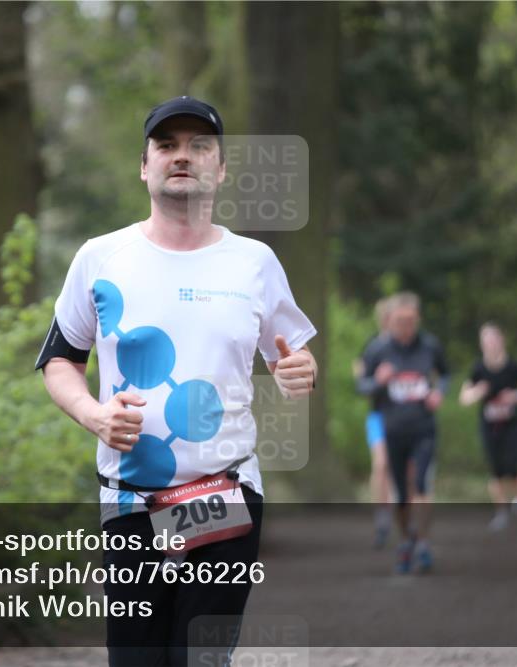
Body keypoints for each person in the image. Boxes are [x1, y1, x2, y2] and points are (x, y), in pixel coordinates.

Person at [36, 96, 318, 665]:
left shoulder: (255, 262)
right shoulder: (101, 258)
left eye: (199, 147)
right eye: (166, 146)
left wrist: (299, 373)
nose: (181, 156)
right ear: (144, 166)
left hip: (226, 493)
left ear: (220, 168)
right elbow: (60, 359)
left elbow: (295, 359)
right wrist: (94, 415)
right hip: (129, 501)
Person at [358, 292, 448, 574]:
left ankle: (422, 543)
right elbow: (362, 386)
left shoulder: (430, 346)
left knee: (421, 484)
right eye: (399, 321)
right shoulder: (378, 349)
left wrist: (438, 393)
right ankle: (405, 540)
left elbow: (445, 374)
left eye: (410, 320)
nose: (405, 326)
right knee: (401, 496)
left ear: (417, 319)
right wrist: (378, 382)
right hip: (393, 430)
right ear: (390, 321)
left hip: (424, 429)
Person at [459, 323, 517, 531]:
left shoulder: (513, 367)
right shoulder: (478, 369)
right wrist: (478, 392)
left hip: (511, 424)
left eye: (494, 340)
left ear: (501, 341)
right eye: (486, 341)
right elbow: (464, 398)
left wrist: (516, 396)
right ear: (482, 345)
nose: (491, 344)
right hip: (489, 426)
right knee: (496, 469)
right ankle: (501, 512)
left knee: (513, 465)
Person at [355, 297, 395, 548]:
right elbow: (362, 384)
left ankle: (401, 513)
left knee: (402, 470)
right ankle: (381, 516)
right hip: (379, 416)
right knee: (381, 464)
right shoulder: (373, 347)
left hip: (405, 418)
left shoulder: (414, 347)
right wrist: (378, 381)